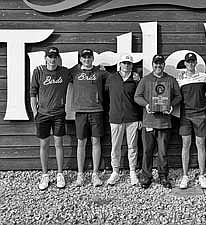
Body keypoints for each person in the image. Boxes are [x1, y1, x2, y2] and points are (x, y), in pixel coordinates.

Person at [134, 54, 182, 189]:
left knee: (163, 152)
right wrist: (146, 105)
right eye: (156, 63)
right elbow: (137, 96)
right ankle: (146, 176)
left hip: (164, 123)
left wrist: (171, 106)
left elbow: (179, 96)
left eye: (161, 63)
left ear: (164, 65)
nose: (158, 66)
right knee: (147, 151)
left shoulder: (171, 80)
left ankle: (163, 175)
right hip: (149, 122)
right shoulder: (145, 80)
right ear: (152, 64)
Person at [30, 47, 71, 190]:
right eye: (50, 57)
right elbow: (33, 93)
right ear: (45, 58)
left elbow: (80, 75)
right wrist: (35, 111)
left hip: (59, 113)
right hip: (43, 114)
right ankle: (45, 175)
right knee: (44, 145)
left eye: (55, 57)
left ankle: (60, 174)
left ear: (58, 58)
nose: (52, 60)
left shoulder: (65, 72)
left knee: (59, 143)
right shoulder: (39, 71)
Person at [70, 48, 109, 187]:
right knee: (81, 142)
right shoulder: (74, 71)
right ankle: (80, 175)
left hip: (97, 111)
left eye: (89, 57)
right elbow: (59, 74)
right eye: (84, 57)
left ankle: (95, 174)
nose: (87, 60)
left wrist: (134, 75)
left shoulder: (100, 72)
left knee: (96, 142)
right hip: (80, 112)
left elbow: (116, 78)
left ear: (93, 58)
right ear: (81, 59)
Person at [105, 54, 142, 186]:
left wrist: (140, 118)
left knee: (133, 147)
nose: (126, 65)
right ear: (119, 64)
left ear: (132, 65)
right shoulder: (111, 78)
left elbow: (139, 99)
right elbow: (106, 97)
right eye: (124, 63)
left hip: (132, 118)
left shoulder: (136, 80)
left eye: (129, 63)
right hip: (115, 118)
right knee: (115, 147)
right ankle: (115, 172)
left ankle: (132, 171)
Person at [176, 53, 206, 189]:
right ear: (185, 63)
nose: (190, 64)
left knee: (201, 144)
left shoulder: (203, 77)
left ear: (196, 63)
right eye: (188, 62)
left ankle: (201, 175)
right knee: (186, 145)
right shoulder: (180, 79)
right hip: (185, 115)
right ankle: (185, 176)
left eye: (192, 61)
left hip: (200, 115)